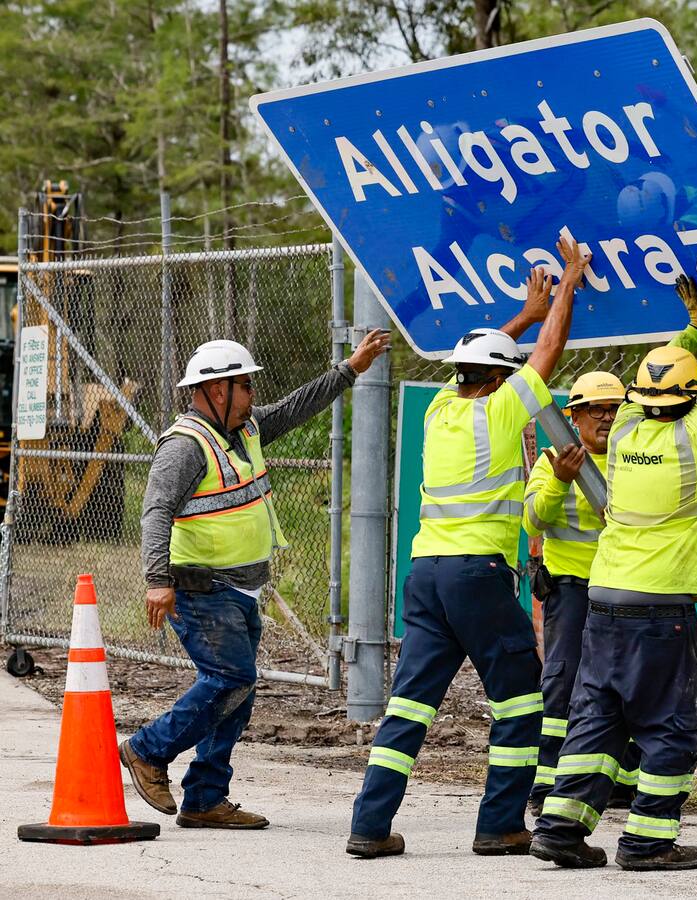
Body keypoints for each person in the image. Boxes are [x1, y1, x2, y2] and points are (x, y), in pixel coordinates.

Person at [346, 236, 590, 860]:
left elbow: (485, 362)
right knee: (520, 699)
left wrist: (521, 318)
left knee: (408, 705)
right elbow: (549, 353)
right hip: (477, 576)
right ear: (502, 379)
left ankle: (369, 826)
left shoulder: (440, 412)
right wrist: (565, 284)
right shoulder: (504, 411)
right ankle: (500, 823)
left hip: (425, 575)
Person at [530, 248, 697, 872]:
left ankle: (560, 829)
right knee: (672, 725)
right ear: (692, 396)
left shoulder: (623, 428)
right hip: (662, 610)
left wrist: (690, 329)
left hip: (604, 603)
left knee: (596, 718)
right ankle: (649, 842)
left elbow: (653, 383)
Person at [120, 329, 392, 829]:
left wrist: (350, 368)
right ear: (218, 390)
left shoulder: (244, 430)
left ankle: (204, 799)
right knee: (232, 679)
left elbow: (294, 407)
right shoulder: (185, 447)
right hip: (203, 589)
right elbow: (155, 512)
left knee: (237, 694)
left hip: (242, 589)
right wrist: (156, 580)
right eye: (245, 386)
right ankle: (146, 749)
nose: (252, 396)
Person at [522, 371, 641, 817]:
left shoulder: (635, 458)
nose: (607, 417)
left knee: (629, 684)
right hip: (571, 588)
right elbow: (532, 522)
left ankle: (621, 785)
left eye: (615, 408)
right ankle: (545, 787)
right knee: (562, 684)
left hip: (624, 588)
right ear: (574, 416)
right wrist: (559, 480)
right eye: (597, 409)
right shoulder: (552, 459)